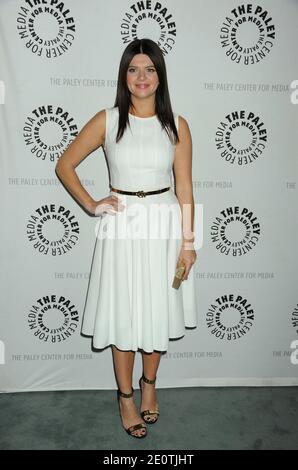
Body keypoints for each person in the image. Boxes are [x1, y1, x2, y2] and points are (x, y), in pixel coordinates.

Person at [55, 38, 198, 439]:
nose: (141, 77)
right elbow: (65, 164)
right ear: (124, 75)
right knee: (124, 313)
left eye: (149, 69)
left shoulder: (177, 125)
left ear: (160, 76)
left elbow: (185, 187)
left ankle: (149, 386)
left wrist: (188, 242)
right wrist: (92, 203)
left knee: (156, 309)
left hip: (163, 226)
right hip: (121, 228)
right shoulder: (107, 119)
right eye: (134, 69)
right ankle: (125, 396)